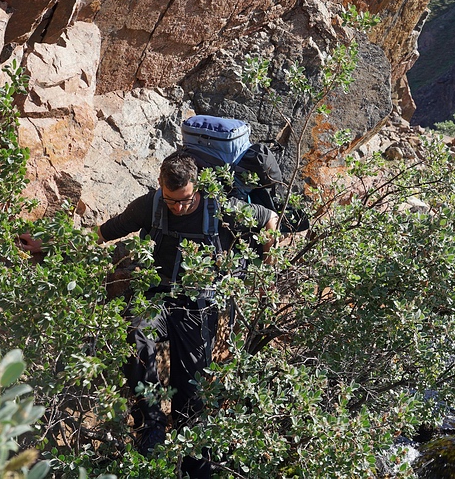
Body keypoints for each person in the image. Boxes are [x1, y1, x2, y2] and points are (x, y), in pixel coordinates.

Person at [20, 151, 277, 479]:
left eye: (185, 200)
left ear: (197, 187)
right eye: (171, 200)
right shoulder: (150, 205)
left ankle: (194, 463)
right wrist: (47, 244)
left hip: (199, 303)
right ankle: (151, 426)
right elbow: (102, 233)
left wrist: (268, 267)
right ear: (160, 184)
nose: (178, 207)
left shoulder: (220, 207)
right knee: (136, 332)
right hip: (157, 295)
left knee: (192, 388)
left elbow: (269, 218)